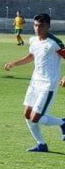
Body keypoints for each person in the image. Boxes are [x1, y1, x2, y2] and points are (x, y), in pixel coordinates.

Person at [5, 14, 65, 153]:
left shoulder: (54, 42)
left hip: (48, 84)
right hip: (34, 82)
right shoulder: (33, 40)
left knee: (35, 117)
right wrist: (14, 64)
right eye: (36, 25)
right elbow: (31, 56)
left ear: (48, 26)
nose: (37, 28)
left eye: (41, 26)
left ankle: (62, 123)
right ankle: (41, 144)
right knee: (27, 114)